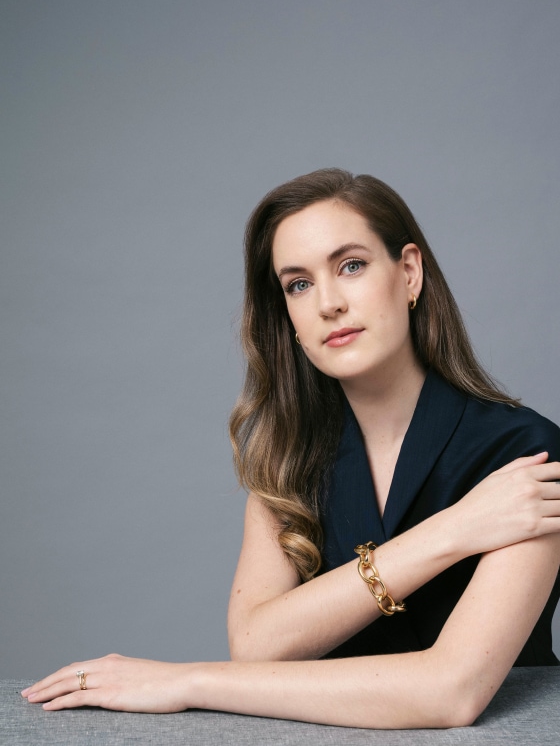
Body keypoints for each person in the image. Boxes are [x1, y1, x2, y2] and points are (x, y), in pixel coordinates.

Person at [22, 169, 560, 728]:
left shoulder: (528, 454)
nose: (328, 303)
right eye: (298, 284)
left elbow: (451, 692)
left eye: (351, 266)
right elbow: (257, 646)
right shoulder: (290, 456)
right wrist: (453, 532)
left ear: (408, 273)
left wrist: (186, 680)